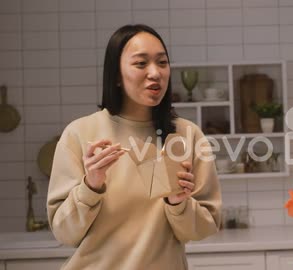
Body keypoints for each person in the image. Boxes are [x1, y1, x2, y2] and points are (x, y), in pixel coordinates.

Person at [47, 24, 222, 269]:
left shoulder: (187, 136)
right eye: (141, 64)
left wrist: (177, 202)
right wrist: (90, 186)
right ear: (117, 75)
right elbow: (64, 233)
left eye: (162, 63)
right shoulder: (79, 134)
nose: (155, 73)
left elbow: (205, 227)